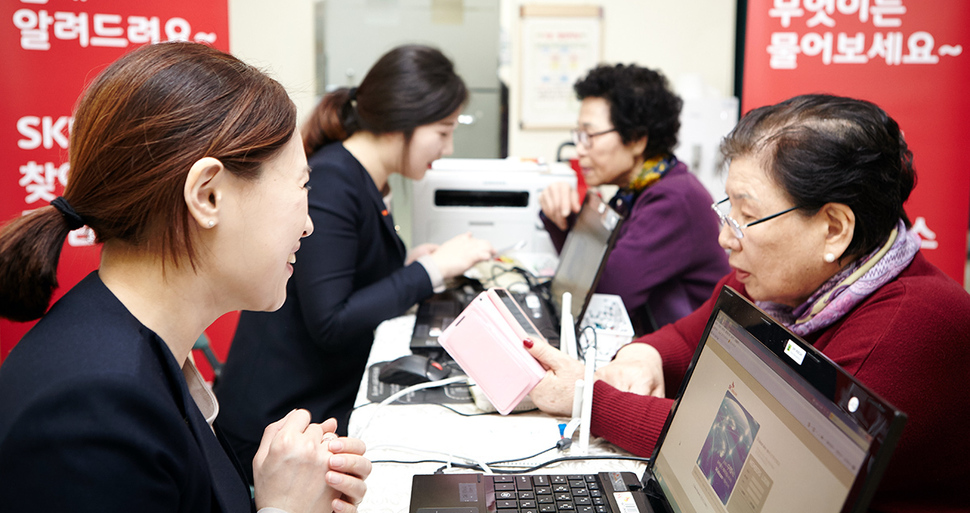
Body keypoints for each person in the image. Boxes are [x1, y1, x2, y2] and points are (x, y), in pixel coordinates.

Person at [526, 94, 970, 512]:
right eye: (729, 212)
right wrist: (644, 355)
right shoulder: (786, 285)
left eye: (748, 216)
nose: (725, 239)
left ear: (834, 228)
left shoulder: (909, 328)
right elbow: (688, 332)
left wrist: (588, 400)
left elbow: (759, 465)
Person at [0, 42, 371, 512]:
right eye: (302, 187)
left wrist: (284, 493)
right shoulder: (94, 409)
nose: (309, 224)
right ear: (208, 196)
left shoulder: (135, 352)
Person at [215, 44, 494, 478]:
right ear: (404, 120)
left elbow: (348, 277)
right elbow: (331, 321)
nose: (448, 146)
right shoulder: (332, 182)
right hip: (276, 425)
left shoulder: (359, 179)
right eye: (442, 131)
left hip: (308, 406)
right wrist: (430, 272)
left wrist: (411, 269)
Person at [539, 64, 729, 334]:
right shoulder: (636, 191)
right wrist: (562, 215)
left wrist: (568, 221)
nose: (579, 148)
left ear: (638, 139)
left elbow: (604, 296)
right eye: (579, 135)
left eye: (590, 136)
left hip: (686, 362)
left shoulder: (673, 200)